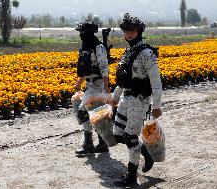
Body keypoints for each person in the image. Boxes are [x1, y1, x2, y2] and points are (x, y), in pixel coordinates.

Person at [110, 13, 163, 187]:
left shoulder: (147, 53)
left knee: (130, 136)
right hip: (126, 98)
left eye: (132, 30)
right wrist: (115, 98)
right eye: (126, 30)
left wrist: (157, 105)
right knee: (118, 135)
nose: (129, 33)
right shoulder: (128, 52)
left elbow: (156, 81)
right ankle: (146, 154)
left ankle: (131, 177)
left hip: (140, 101)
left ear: (139, 31)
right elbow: (123, 81)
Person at [74, 20, 110, 155]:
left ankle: (89, 144)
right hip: (90, 85)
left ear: (88, 33)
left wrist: (106, 87)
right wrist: (79, 83)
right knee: (96, 115)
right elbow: (85, 69)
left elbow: (104, 69)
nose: (80, 35)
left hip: (98, 86)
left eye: (82, 32)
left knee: (84, 113)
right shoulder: (85, 47)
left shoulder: (98, 48)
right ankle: (102, 143)